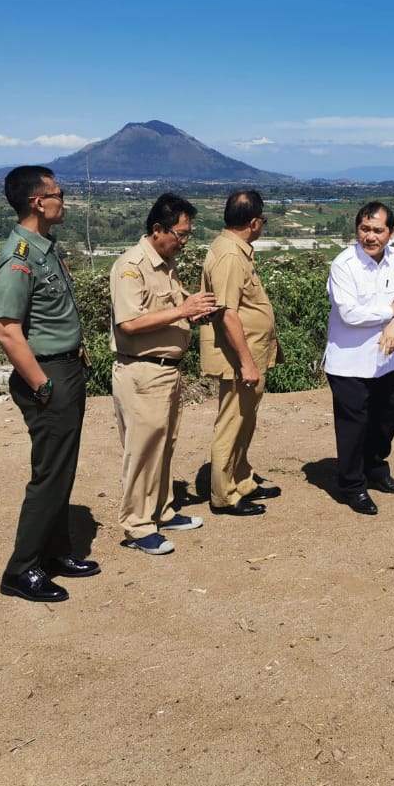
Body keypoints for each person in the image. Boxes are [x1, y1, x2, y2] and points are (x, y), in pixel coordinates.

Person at [0, 165, 96, 602]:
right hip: (48, 375)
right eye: (58, 193)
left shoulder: (45, 248)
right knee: (49, 474)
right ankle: (21, 570)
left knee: (62, 469)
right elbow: (7, 330)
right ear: (39, 201)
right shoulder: (19, 257)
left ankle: (55, 553)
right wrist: (42, 385)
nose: (63, 199)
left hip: (65, 369)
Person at [110, 194, 218, 555]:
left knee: (164, 446)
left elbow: (169, 310)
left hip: (167, 372)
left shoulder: (166, 263)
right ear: (157, 229)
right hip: (142, 372)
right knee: (142, 451)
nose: (184, 241)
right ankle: (138, 526)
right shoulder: (131, 265)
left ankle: (161, 510)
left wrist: (193, 313)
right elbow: (129, 323)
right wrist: (183, 310)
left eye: (188, 234)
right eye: (180, 234)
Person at [324, 201, 394, 516]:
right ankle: (353, 486)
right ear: (357, 230)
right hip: (349, 362)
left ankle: (376, 470)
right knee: (354, 426)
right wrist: (391, 309)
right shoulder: (344, 265)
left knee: (386, 419)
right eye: (365, 229)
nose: (370, 236)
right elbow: (350, 313)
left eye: (378, 230)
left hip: (386, 362)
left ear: (391, 233)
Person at [198, 190, 283, 516]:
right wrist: (247, 363)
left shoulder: (234, 249)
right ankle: (224, 495)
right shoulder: (231, 257)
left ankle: (243, 479)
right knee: (232, 423)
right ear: (254, 222)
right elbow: (227, 313)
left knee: (244, 420)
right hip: (239, 357)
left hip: (249, 352)